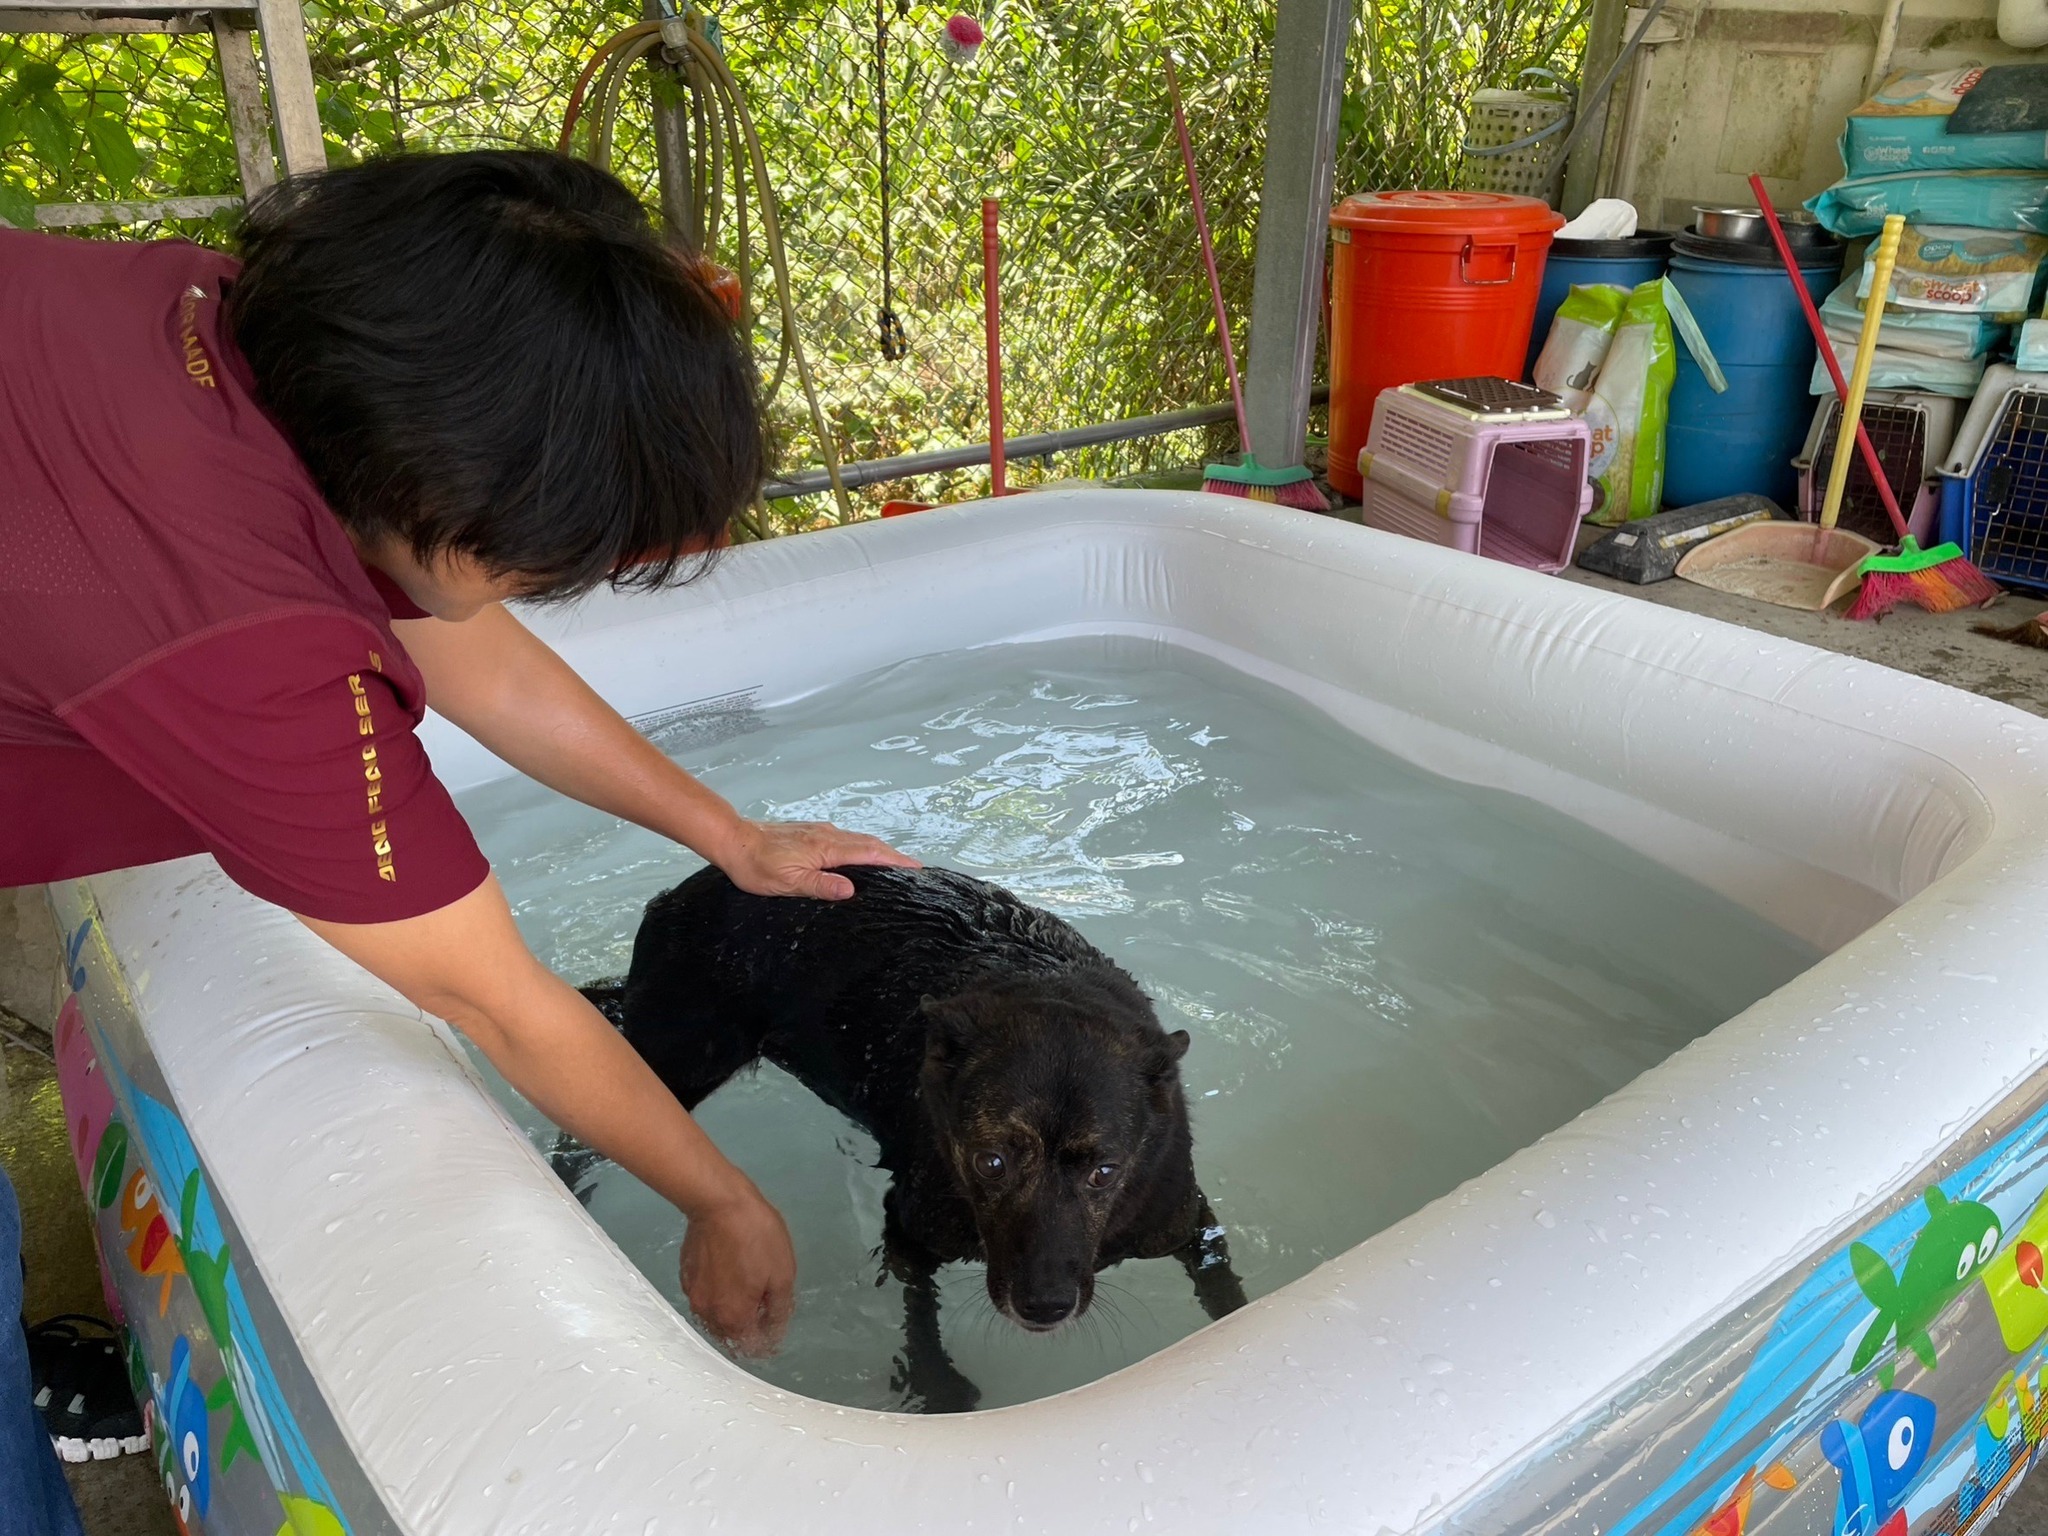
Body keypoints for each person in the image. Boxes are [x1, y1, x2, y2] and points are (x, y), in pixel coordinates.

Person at [0, 149, 913, 1531]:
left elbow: (457, 629)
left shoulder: (232, 326)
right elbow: (492, 994)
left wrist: (727, 832)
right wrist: (726, 1203)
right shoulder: (246, 638)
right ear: (455, 497)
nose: (562, 584)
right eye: (563, 560)